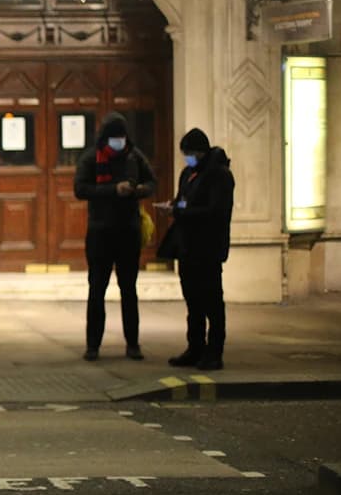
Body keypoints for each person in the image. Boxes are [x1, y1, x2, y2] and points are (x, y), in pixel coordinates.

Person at [73, 112, 156, 361]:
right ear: (105, 138)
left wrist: (140, 190)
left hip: (128, 231)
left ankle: (133, 343)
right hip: (100, 232)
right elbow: (80, 189)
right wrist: (112, 190)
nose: (119, 141)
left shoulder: (134, 156)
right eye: (114, 137)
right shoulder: (91, 158)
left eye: (122, 136)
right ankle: (92, 346)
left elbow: (152, 181)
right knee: (97, 290)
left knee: (128, 289)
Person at [156, 128, 235, 371]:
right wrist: (173, 205)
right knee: (193, 301)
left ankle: (214, 352)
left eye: (190, 153)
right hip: (187, 246)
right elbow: (183, 200)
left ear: (201, 152)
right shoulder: (188, 174)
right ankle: (195, 347)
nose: (187, 158)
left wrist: (179, 211)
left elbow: (216, 212)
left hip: (207, 247)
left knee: (212, 301)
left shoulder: (219, 175)